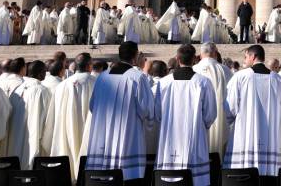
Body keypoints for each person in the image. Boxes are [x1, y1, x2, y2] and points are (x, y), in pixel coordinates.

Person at [85, 41, 155, 183]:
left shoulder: (102, 77)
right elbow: (146, 110)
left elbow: (92, 106)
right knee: (126, 176)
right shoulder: (137, 77)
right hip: (128, 136)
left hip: (103, 136)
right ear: (136, 56)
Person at [154, 45, 218, 185]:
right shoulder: (203, 82)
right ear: (194, 59)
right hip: (195, 136)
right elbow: (211, 114)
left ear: (177, 59)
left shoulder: (163, 83)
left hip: (169, 138)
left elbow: (157, 113)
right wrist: (200, 126)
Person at [225, 44, 281, 185]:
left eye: (246, 57)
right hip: (269, 138)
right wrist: (274, 123)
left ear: (253, 57)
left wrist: (230, 122)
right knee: (267, 180)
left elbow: (230, 107)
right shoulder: (277, 79)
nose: (244, 60)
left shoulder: (240, 76)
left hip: (245, 136)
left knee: (245, 176)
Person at [44, 53, 97, 173]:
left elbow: (53, 115)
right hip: (89, 133)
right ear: (89, 66)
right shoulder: (97, 83)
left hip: (65, 131)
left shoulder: (62, 85)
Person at [7, 60, 52, 169]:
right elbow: (49, 119)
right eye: (44, 71)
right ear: (40, 73)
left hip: (15, 138)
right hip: (33, 137)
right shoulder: (42, 90)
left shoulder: (17, 89)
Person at [193, 42, 233, 157]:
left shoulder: (194, 70)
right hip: (221, 118)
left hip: (198, 119)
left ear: (201, 54)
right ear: (215, 53)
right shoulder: (225, 70)